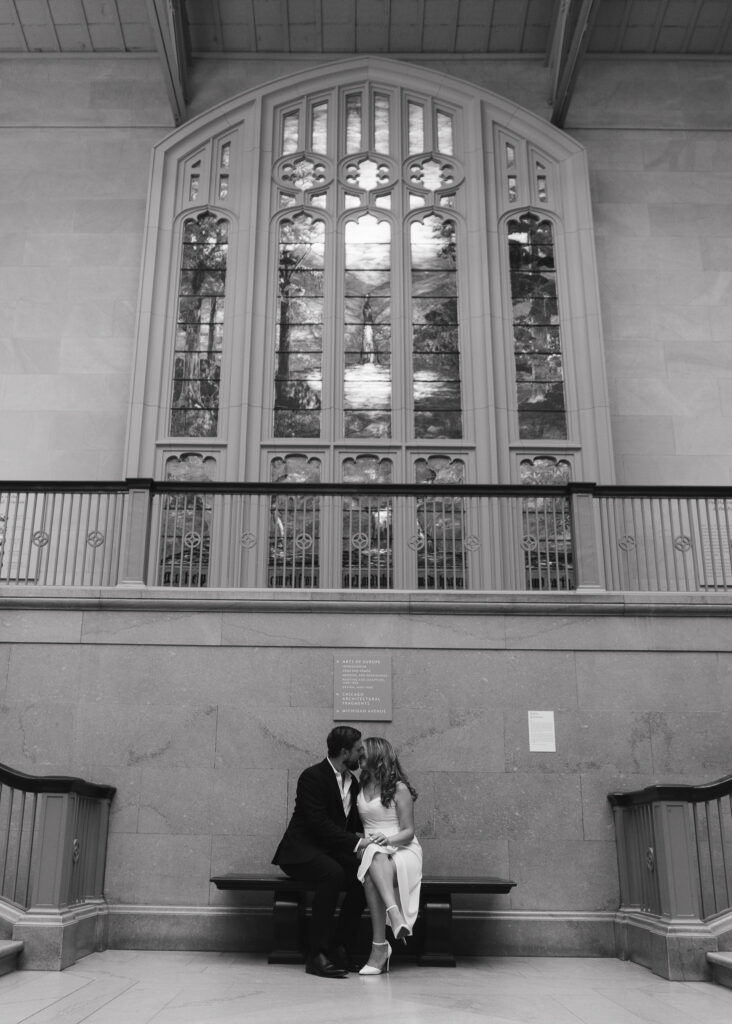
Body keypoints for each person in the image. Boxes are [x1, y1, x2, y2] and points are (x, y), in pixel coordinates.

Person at [272, 725, 368, 979]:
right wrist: (357, 844)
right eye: (359, 750)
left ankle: (340, 947)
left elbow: (356, 823)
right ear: (344, 751)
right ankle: (316, 955)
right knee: (333, 874)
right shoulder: (312, 777)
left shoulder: (353, 782)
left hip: (330, 852)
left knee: (364, 876)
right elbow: (318, 824)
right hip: (300, 852)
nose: (362, 754)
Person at [355, 737, 422, 976]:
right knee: (373, 857)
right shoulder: (360, 785)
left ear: (377, 754)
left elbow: (408, 831)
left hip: (402, 849)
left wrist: (388, 839)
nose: (358, 754)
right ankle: (388, 930)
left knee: (374, 856)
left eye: (363, 751)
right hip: (374, 852)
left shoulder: (399, 788)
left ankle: (381, 945)